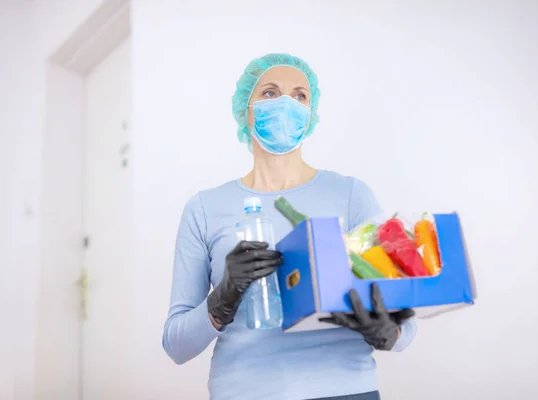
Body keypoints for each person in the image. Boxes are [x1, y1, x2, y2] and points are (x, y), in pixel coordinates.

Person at [162, 53, 417, 400]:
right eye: (269, 92)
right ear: (245, 109)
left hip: (347, 390)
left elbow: (406, 318)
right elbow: (176, 345)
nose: (286, 103)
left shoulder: (350, 195)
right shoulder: (205, 208)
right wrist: (221, 299)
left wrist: (391, 330)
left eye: (299, 95)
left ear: (310, 114)